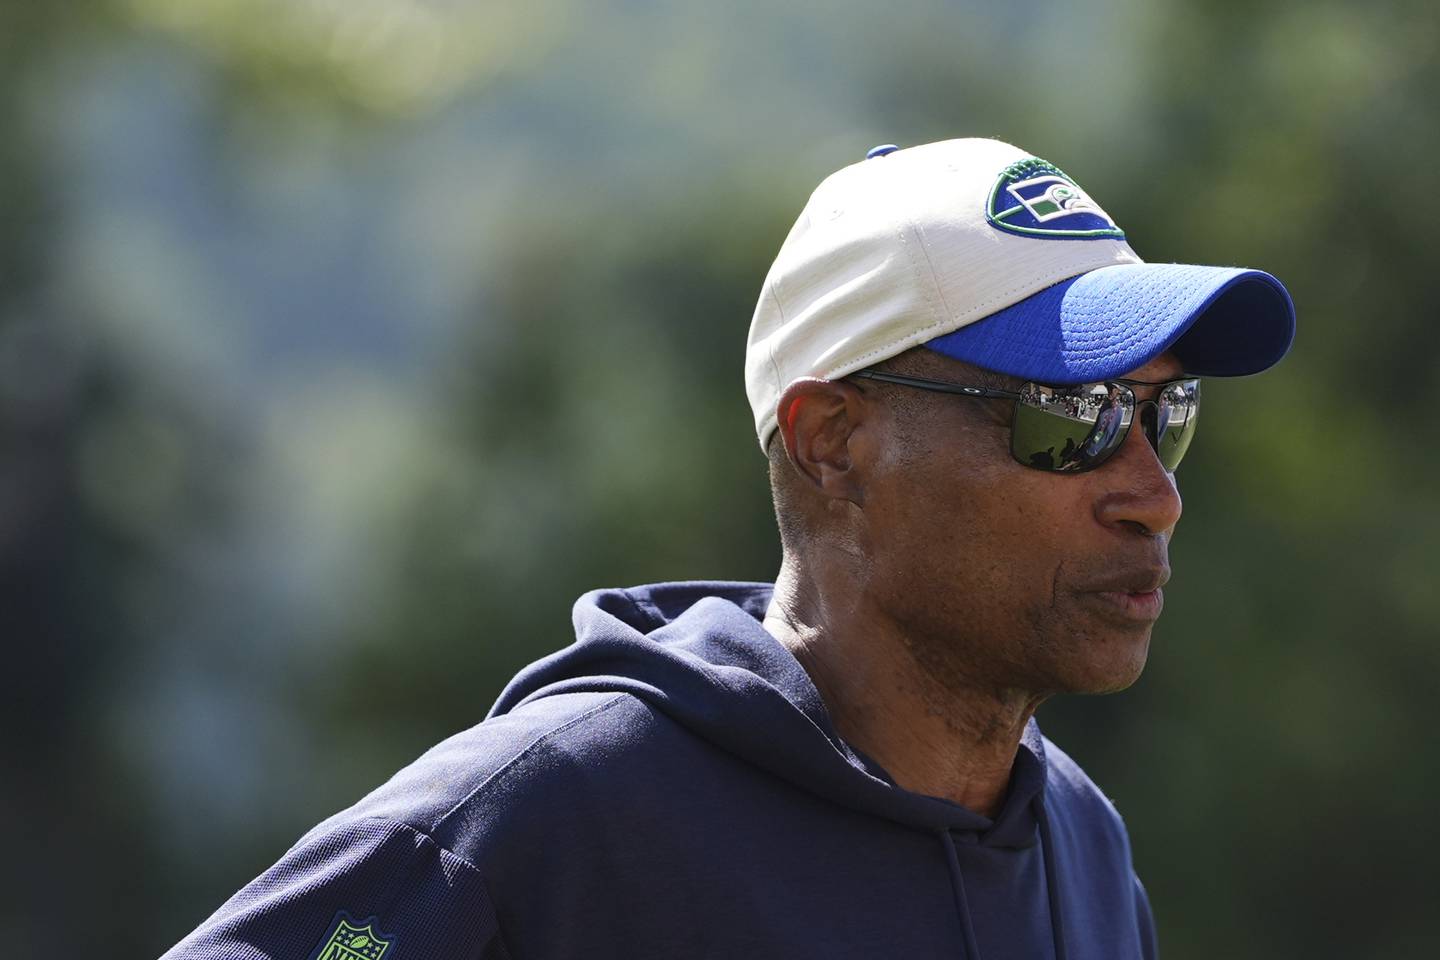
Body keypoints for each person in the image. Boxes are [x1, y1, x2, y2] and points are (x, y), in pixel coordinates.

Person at [163, 138, 1294, 960]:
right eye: (1075, 418)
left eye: (1167, 414)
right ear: (834, 446)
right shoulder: (546, 817)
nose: (1153, 493)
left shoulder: (1083, 848)